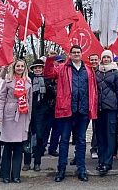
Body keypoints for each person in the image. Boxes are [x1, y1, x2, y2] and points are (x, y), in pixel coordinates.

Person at [44, 45, 98, 183]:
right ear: (70, 54)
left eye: (78, 52)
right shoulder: (63, 67)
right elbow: (49, 73)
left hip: (83, 110)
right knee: (64, 141)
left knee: (81, 141)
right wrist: (50, 59)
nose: (76, 54)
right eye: (73, 52)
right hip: (67, 110)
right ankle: (61, 169)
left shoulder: (88, 69)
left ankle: (81, 169)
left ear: (81, 53)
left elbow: (93, 89)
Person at [0, 59, 32, 183]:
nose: (20, 68)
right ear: (14, 67)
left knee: (18, 146)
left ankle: (16, 175)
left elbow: (30, 101)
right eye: (18, 66)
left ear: (25, 68)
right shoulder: (7, 81)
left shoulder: (28, 82)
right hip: (9, 115)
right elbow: (1, 99)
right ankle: (5, 175)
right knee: (8, 145)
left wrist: (29, 119)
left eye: (22, 66)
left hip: (22, 115)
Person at [95, 50, 118, 176]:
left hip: (111, 109)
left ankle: (107, 162)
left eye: (108, 57)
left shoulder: (115, 73)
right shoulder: (97, 72)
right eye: (104, 57)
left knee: (110, 136)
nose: (106, 59)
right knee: (100, 136)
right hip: (98, 109)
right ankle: (101, 160)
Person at [23, 59, 55, 172]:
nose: (38, 69)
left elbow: (52, 96)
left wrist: (49, 87)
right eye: (36, 68)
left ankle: (37, 162)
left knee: (39, 138)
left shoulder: (47, 80)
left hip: (42, 113)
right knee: (27, 138)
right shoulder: (28, 80)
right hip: (28, 111)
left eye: (40, 68)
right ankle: (26, 162)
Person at [88, 53, 100, 160]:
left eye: (96, 59)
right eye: (92, 60)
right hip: (85, 104)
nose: (94, 62)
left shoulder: (101, 72)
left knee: (97, 129)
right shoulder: (85, 71)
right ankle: (78, 153)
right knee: (80, 131)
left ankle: (95, 148)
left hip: (98, 104)